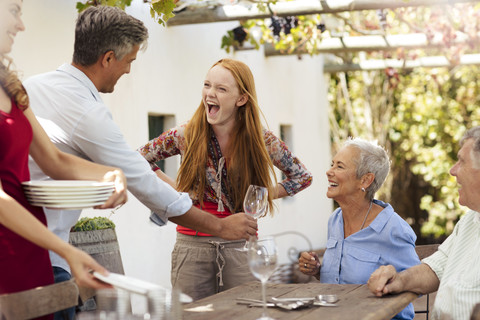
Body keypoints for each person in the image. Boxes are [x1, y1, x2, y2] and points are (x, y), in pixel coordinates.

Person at [24, 6, 256, 319]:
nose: (129, 71)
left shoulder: (33, 86)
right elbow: (143, 183)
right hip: (42, 261)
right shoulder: (87, 113)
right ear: (108, 58)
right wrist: (220, 226)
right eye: (129, 61)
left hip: (25, 249)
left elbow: (119, 164)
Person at [138, 58, 313, 300]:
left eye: (221, 89)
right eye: (207, 85)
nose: (210, 93)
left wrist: (259, 195)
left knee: (246, 313)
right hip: (192, 246)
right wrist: (176, 192)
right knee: (192, 318)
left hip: (241, 248)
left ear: (241, 99)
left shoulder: (261, 139)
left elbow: (302, 177)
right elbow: (138, 160)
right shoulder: (185, 134)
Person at [0, 0, 128, 317]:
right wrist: (65, 250)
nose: (21, 25)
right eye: (14, 11)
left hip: (32, 251)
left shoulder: (12, 88)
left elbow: (55, 160)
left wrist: (109, 173)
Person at [298, 137, 419, 320]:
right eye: (332, 164)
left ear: (365, 180)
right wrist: (316, 271)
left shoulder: (393, 229)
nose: (329, 172)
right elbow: (340, 280)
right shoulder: (335, 221)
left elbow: (417, 283)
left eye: (339, 166)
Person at [368, 126, 480, 320]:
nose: (453, 171)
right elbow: (436, 268)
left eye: (461, 161)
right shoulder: (471, 219)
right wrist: (399, 280)